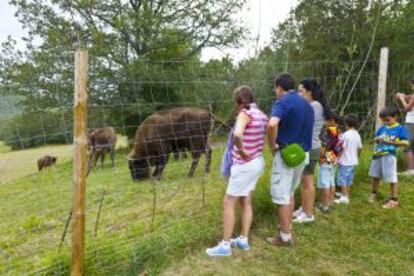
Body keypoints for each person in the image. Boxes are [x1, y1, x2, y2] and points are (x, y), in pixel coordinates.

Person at [206, 86, 268, 256]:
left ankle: (225, 246)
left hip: (244, 166)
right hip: (257, 162)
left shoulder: (245, 114)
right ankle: (243, 239)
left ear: (240, 102)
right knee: (246, 200)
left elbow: (238, 134)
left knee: (228, 202)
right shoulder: (262, 115)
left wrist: (240, 150)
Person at [266, 73, 314, 247]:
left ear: (279, 87)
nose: (275, 92)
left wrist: (272, 145)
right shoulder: (307, 104)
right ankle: (287, 227)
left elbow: (272, 124)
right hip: (303, 154)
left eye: (275, 88)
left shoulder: (283, 101)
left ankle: (285, 237)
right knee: (290, 192)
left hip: (287, 155)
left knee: (281, 196)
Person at [293, 79, 334, 223]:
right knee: (304, 179)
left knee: (307, 181)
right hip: (309, 146)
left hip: (309, 148)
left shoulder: (315, 106)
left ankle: (308, 214)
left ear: (309, 91)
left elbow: (304, 124)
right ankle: (304, 208)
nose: (299, 94)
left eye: (301, 91)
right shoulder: (314, 105)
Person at [369, 107, 409, 209]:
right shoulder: (383, 128)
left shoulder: (400, 129)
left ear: (395, 116)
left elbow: (405, 142)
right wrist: (377, 139)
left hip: (389, 156)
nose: (386, 122)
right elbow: (376, 137)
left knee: (392, 177)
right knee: (375, 174)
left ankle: (394, 200)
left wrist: (391, 142)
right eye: (384, 121)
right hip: (378, 154)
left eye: (387, 120)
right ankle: (374, 193)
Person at [334, 114, 362, 204]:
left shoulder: (345, 135)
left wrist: (337, 158)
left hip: (345, 161)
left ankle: (344, 198)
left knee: (342, 179)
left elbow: (341, 148)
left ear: (346, 124)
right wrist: (357, 157)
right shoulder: (357, 134)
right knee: (349, 179)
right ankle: (345, 194)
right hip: (353, 161)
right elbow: (360, 148)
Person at [317, 117, 343, 213]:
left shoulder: (327, 131)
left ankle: (325, 206)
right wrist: (337, 158)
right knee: (331, 180)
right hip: (334, 157)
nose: (324, 122)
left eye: (326, 120)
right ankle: (330, 202)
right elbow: (341, 148)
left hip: (326, 156)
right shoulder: (339, 132)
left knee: (325, 182)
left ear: (332, 121)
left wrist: (321, 157)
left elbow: (323, 146)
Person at [395, 77, 414, 175]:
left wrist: (402, 98)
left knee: (407, 145)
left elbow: (408, 108)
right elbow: (411, 97)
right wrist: (405, 96)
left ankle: (410, 171)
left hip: (411, 122)